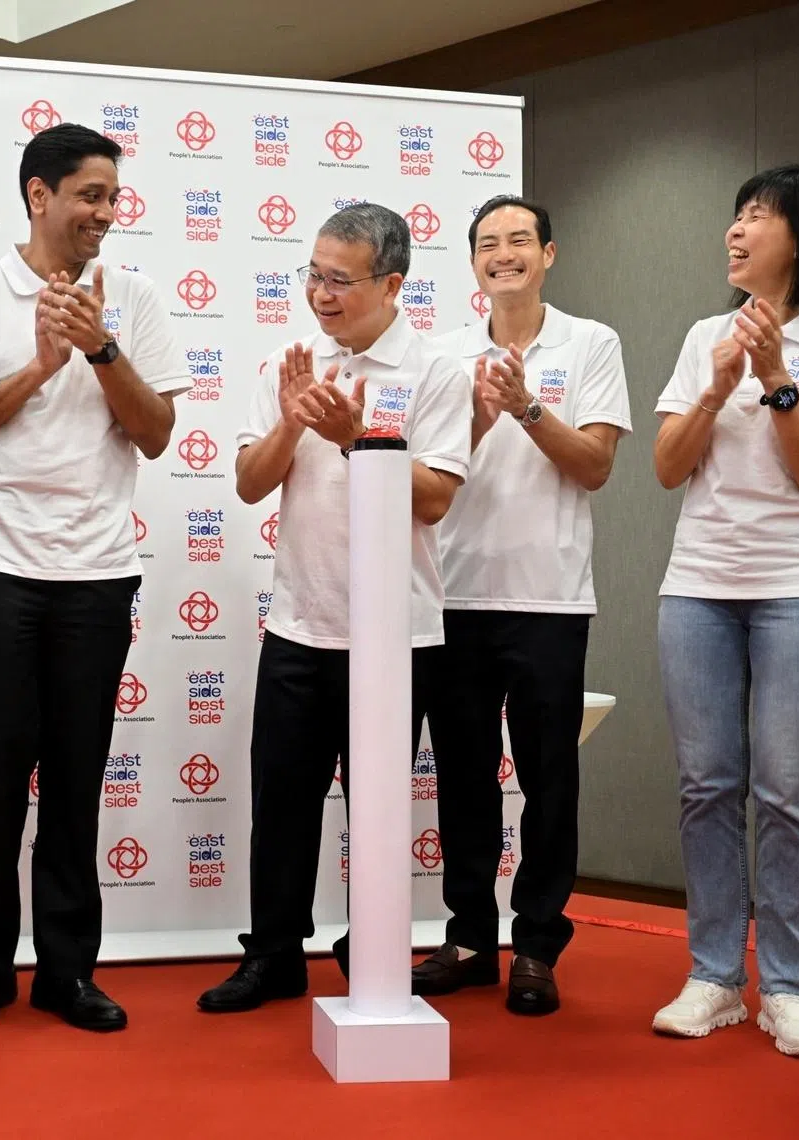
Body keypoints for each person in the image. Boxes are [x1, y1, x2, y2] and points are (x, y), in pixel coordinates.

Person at [0, 124, 188, 1032]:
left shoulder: (135, 298)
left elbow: (153, 435)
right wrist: (39, 365)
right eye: (90, 195)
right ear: (40, 195)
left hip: (98, 571)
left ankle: (68, 972)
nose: (107, 213)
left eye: (114, 197)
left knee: (76, 778)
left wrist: (103, 349)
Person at [197, 203, 471, 1013]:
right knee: (280, 804)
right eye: (312, 274)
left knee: (378, 811)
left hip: (394, 636)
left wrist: (362, 439)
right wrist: (290, 422)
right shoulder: (294, 362)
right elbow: (249, 484)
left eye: (339, 279)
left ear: (392, 283)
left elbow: (436, 499)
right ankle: (275, 954)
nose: (319, 293)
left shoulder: (437, 372)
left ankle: (374, 952)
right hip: (298, 625)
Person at [650, 164, 799, 1056]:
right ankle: (714, 977)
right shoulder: (706, 332)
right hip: (699, 585)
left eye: (758, 215)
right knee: (707, 787)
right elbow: (669, 467)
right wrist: (718, 384)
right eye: (735, 214)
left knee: (790, 792)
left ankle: (789, 987)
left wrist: (778, 379)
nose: (736, 230)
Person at [413, 195, 631, 1015]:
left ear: (548, 254)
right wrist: (476, 409)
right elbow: (431, 471)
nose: (503, 254)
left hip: (550, 598)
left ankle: (537, 945)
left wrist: (527, 407)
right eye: (486, 244)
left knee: (549, 780)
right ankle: (470, 938)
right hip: (454, 595)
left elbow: (596, 466)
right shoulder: (440, 353)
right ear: (472, 263)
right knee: (462, 778)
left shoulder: (591, 342)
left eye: (518, 241)